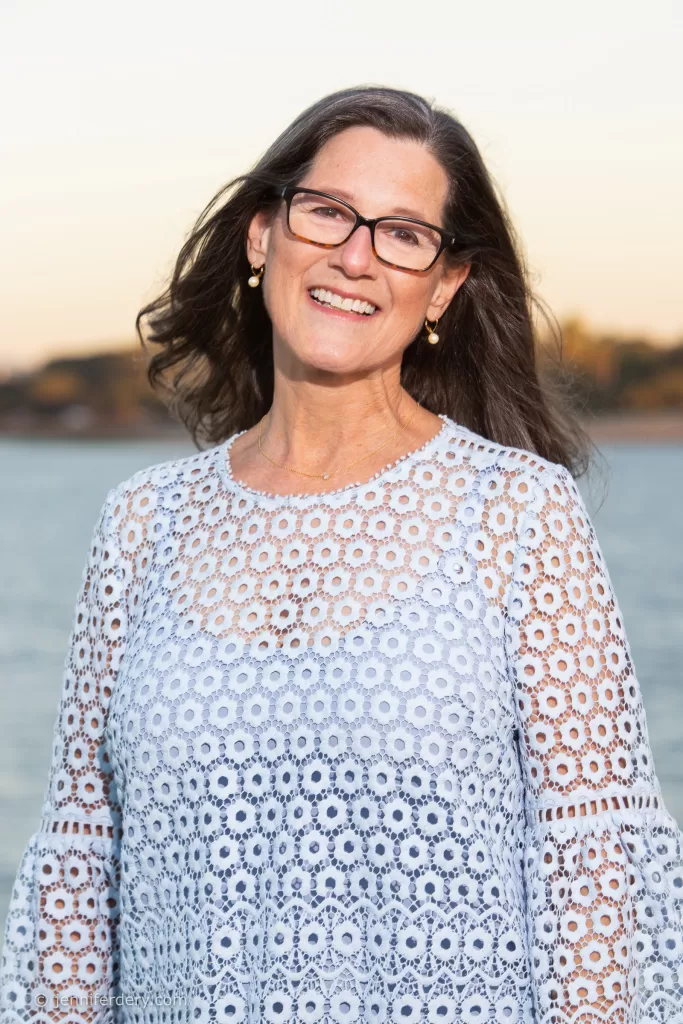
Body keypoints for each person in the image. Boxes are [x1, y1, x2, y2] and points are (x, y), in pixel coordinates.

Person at [1, 86, 681, 1024]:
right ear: (260, 236)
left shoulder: (519, 514)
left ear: (443, 285)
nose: (354, 255)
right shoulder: (140, 526)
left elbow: (596, 873)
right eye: (327, 212)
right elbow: (77, 873)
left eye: (403, 233)